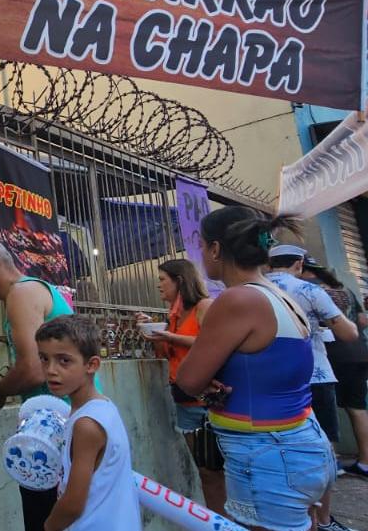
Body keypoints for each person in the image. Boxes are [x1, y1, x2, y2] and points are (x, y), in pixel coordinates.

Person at [177, 207, 339, 531]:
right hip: (301, 443)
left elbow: (188, 381)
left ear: (216, 249)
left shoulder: (238, 300)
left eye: (202, 246)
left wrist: (206, 378)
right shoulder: (280, 294)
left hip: (268, 457)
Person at [0, 236, 75, 531]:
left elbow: (34, 368)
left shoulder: (21, 294)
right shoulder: (28, 292)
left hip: (55, 431)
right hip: (58, 426)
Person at [265, 245, 359, 531]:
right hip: (314, 375)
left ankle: (293, 518)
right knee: (323, 447)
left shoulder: (255, 289)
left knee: (284, 446)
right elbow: (348, 332)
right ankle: (323, 520)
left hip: (272, 379)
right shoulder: (309, 290)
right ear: (298, 263)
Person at [37, 315, 141, 531]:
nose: (51, 370)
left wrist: (48, 527)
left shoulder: (87, 425)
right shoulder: (103, 407)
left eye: (64, 360)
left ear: (91, 365)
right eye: (44, 359)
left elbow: (73, 504)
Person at [139, 259, 225, 515]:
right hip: (184, 399)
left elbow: (214, 342)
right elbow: (168, 354)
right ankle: (216, 519)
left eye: (163, 279)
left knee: (223, 469)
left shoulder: (204, 306)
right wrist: (154, 333)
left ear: (179, 280)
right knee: (204, 469)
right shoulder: (173, 316)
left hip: (210, 400)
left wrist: (169, 335)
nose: (159, 285)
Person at [301, 258, 368, 479]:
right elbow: (361, 320)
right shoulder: (343, 288)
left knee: (324, 407)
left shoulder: (309, 289)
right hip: (358, 351)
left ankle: (333, 459)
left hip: (333, 354)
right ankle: (365, 462)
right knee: (356, 408)